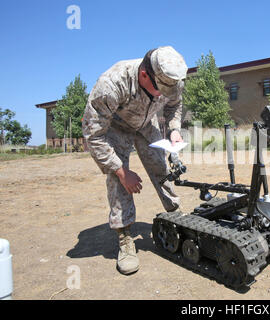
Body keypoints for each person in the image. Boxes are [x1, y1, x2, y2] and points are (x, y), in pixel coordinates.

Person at [82, 46, 188, 275]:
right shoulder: (111, 84)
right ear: (143, 75)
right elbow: (93, 136)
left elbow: (174, 105)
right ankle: (125, 238)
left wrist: (174, 130)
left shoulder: (172, 80)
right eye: (158, 90)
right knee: (119, 180)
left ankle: (176, 215)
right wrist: (121, 171)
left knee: (161, 167)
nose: (162, 94)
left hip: (146, 124)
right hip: (114, 128)